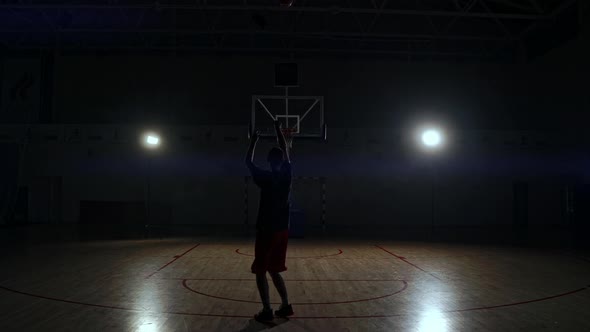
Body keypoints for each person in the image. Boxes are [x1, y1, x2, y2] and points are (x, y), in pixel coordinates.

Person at [245, 120, 294, 322]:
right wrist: (278, 130)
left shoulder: (265, 177)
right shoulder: (287, 174)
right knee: (274, 269)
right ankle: (285, 305)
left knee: (260, 271)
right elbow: (284, 148)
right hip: (283, 230)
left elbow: (248, 162)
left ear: (268, 160)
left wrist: (253, 141)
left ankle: (267, 310)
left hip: (267, 229)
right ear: (282, 160)